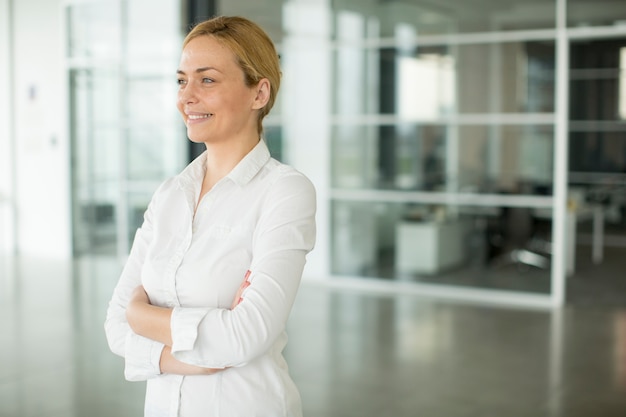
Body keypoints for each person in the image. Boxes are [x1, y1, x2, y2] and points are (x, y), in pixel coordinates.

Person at [104, 15, 316, 417]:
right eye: (181, 80)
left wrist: (143, 316)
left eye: (207, 80)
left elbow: (244, 336)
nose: (186, 97)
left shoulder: (284, 192)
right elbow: (116, 326)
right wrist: (185, 358)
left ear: (259, 93)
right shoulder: (169, 195)